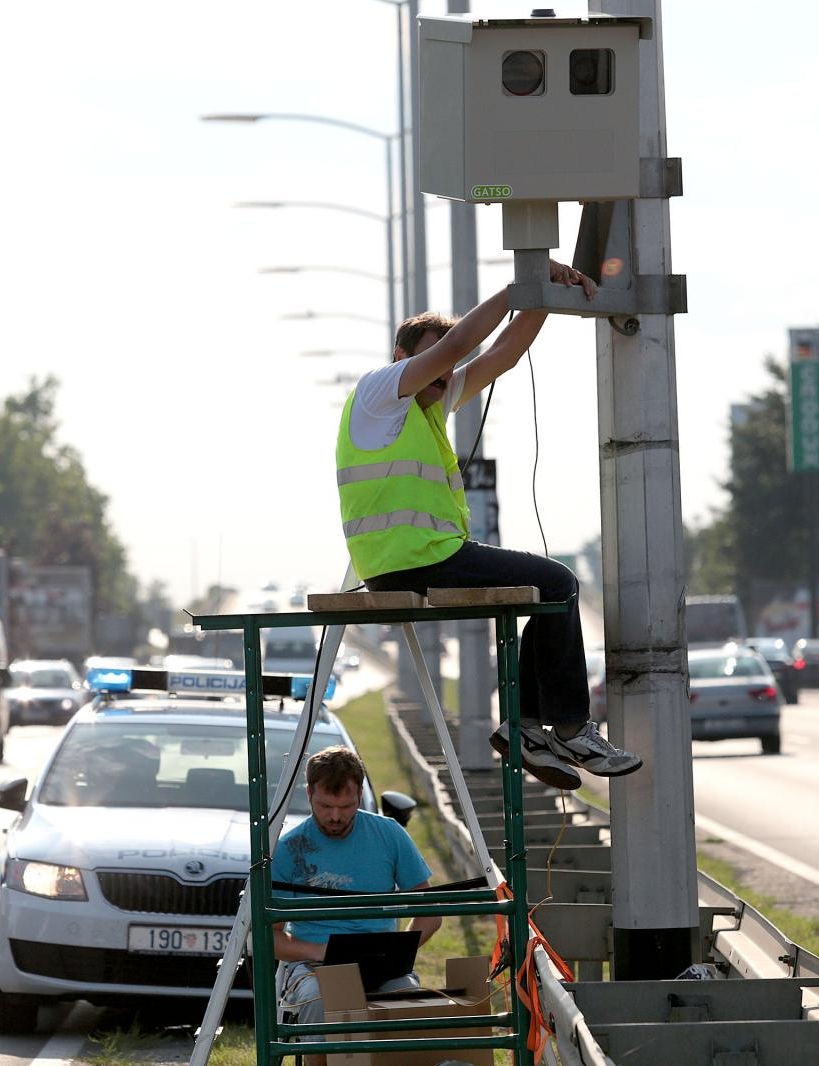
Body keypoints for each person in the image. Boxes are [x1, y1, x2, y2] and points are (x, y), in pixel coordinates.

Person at [334, 261, 641, 790]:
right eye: (433, 362)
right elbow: (460, 348)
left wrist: (543, 293)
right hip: (416, 561)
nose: (446, 375)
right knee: (558, 582)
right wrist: (513, 289)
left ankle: (524, 726)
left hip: (422, 559)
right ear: (401, 359)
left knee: (542, 592)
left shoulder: (430, 402)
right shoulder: (379, 393)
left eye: (448, 369)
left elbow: (503, 353)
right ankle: (567, 727)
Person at [272, 746, 440, 1066]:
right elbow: (269, 936)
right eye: (325, 806)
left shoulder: (389, 834)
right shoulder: (288, 849)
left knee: (407, 1002)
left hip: (381, 966)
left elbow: (430, 912)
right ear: (309, 794)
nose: (335, 816)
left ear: (360, 795)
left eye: (346, 806)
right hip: (313, 967)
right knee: (322, 1004)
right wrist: (318, 952)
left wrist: (398, 951)